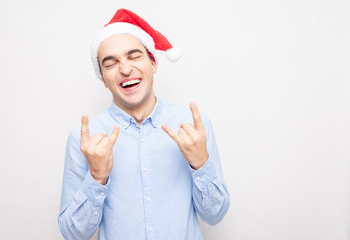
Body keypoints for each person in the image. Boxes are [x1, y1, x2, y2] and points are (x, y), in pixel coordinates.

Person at [58, 8, 230, 240]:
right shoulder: (84, 141)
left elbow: (215, 215)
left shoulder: (192, 126)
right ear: (103, 79)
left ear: (153, 63)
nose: (126, 69)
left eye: (134, 56)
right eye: (111, 64)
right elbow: (72, 234)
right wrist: (97, 177)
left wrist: (200, 163)